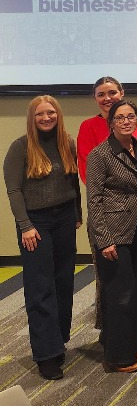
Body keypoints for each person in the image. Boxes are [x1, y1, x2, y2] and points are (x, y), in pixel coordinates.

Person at [3, 96, 81, 380]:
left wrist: (77, 214)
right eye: (40, 114)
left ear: (58, 115)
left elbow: (73, 181)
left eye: (51, 112)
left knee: (63, 281)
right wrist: (25, 226)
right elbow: (14, 191)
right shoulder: (20, 147)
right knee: (40, 287)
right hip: (35, 223)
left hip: (64, 219)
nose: (47, 117)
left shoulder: (67, 143)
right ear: (32, 118)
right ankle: (46, 355)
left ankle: (57, 341)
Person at [86, 100, 137, 374]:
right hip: (113, 231)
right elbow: (94, 199)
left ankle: (129, 343)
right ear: (110, 123)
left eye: (130, 117)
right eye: (120, 118)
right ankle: (117, 357)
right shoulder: (100, 154)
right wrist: (104, 239)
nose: (126, 121)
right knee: (119, 294)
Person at [77, 76, 137, 182]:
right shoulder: (88, 127)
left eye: (112, 93)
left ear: (121, 93)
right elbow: (86, 168)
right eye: (101, 95)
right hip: (109, 195)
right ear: (95, 98)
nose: (108, 98)